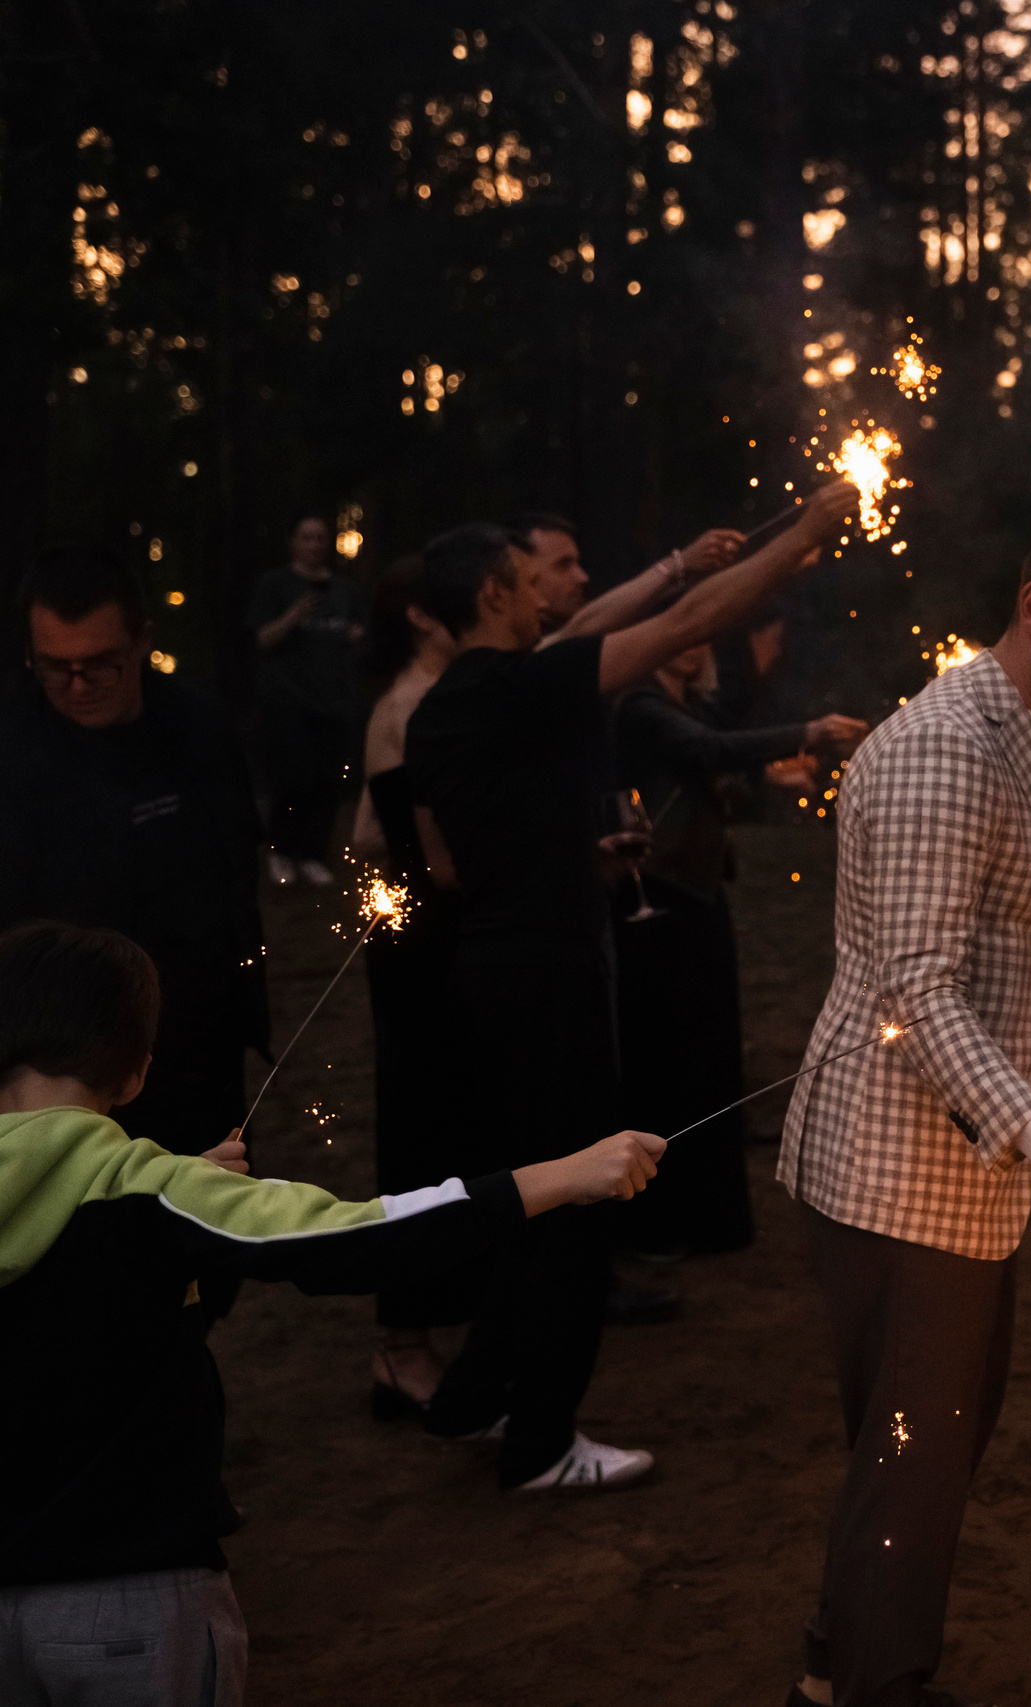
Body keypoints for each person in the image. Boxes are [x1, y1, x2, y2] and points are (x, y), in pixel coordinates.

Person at [0, 918, 666, 1707]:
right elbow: (359, 1239)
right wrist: (563, 1174)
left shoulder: (157, 1192)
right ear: (138, 1072)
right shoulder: (153, 1191)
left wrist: (179, 1188)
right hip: (131, 1606)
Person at [778, 503, 1031, 1707]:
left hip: (963, 1176)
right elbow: (916, 990)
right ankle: (876, 1687)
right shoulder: (947, 747)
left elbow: (997, 968)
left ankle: (835, 1672)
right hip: (890, 1177)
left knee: (924, 1459)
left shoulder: (1024, 735)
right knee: (913, 1464)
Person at [403, 485, 858, 1493]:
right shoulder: (514, 690)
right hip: (550, 978)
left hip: (497, 968)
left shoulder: (454, 706)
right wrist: (802, 541)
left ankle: (474, 1394)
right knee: (575, 1203)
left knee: (531, 1190)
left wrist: (584, 850)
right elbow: (680, 629)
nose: (548, 601)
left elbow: (598, 639)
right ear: (490, 595)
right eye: (529, 585)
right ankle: (542, 1441)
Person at [0, 547, 267, 1169]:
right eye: (53, 667)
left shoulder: (198, 727)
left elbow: (235, 871)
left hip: (197, 1042)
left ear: (143, 640)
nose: (76, 684)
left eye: (100, 664)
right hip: (64, 1068)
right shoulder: (14, 758)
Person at [613, 642, 866, 1255]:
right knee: (672, 1060)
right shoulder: (640, 705)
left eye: (708, 632)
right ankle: (664, 1219)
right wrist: (809, 731)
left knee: (711, 1053)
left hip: (698, 891)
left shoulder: (690, 706)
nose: (702, 644)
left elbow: (715, 769)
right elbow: (707, 753)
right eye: (689, 629)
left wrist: (758, 776)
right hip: (657, 897)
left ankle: (707, 1214)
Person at [347, 557, 478, 1417]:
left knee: (441, 1127)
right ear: (429, 620)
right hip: (423, 949)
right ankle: (402, 1349)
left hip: (417, 941)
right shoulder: (410, 705)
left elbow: (360, 833)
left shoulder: (416, 699)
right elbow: (432, 857)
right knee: (419, 1136)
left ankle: (428, 1333)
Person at [243, 515, 367, 886]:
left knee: (327, 781)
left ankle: (312, 855)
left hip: (334, 701)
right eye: (306, 538)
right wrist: (292, 617)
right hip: (287, 701)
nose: (313, 545)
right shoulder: (274, 585)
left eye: (320, 538)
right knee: (292, 779)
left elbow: (362, 634)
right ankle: (281, 852)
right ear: (293, 542)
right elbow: (260, 640)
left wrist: (355, 635)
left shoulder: (345, 591)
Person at [513, 511, 745, 643]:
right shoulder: (509, 661)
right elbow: (582, 626)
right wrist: (678, 564)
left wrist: (686, 575)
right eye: (562, 565)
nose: (582, 577)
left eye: (577, 563)